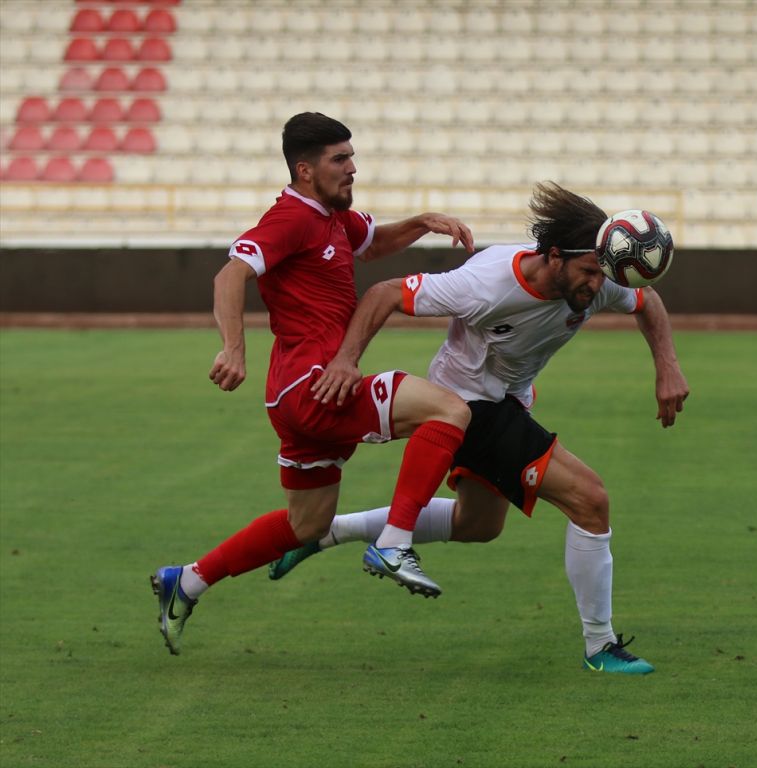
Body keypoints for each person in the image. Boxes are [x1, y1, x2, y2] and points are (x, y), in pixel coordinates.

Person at [270, 182, 690, 675]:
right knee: (590, 499)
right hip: (466, 406)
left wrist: (668, 367)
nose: (597, 287)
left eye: (602, 275)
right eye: (588, 274)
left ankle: (325, 535)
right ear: (554, 257)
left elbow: (648, 302)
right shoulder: (488, 283)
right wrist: (345, 361)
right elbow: (385, 293)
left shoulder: (595, 277)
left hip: (507, 403)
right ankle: (600, 646)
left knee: (479, 525)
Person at [150, 112, 476, 655]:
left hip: (294, 397)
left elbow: (372, 241)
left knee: (308, 523)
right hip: (318, 386)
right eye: (340, 160)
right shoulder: (291, 218)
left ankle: (184, 582)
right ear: (305, 170)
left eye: (352, 156)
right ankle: (394, 543)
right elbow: (230, 274)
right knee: (449, 410)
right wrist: (234, 348)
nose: (353, 168)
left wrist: (424, 221)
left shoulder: (332, 218)